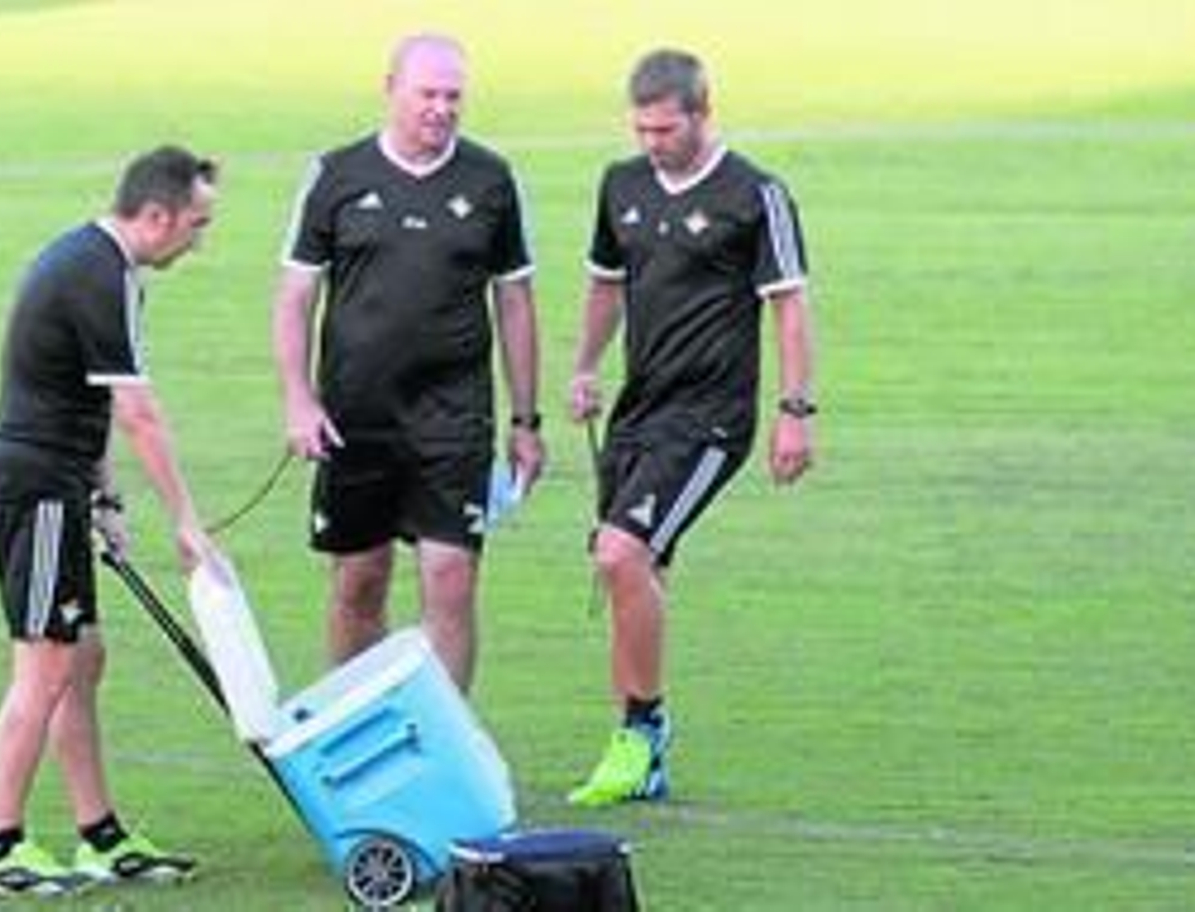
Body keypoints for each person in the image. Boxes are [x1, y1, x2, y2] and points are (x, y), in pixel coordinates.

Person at [565, 49, 819, 807]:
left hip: (710, 418)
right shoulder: (622, 186)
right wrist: (583, 366)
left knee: (619, 556)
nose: (652, 142)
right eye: (641, 129)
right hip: (639, 412)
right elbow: (606, 284)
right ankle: (643, 758)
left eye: (666, 129)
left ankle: (642, 730)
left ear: (703, 113)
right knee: (637, 576)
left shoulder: (755, 193)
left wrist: (794, 412)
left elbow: (790, 305)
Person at [0, 145, 220, 895]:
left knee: (83, 659)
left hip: (59, 484)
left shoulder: (101, 266)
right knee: (45, 668)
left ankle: (100, 836)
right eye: (196, 225)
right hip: (37, 488)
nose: (199, 242)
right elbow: (139, 413)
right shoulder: (99, 273)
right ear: (155, 216)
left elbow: (86, 398)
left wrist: (103, 498)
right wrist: (187, 523)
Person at [272, 33, 544, 694]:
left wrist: (526, 418)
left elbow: (515, 301)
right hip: (355, 414)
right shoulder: (335, 176)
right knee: (359, 580)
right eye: (428, 94)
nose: (442, 108)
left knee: (450, 577)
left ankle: (445, 747)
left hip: (453, 416)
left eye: (454, 96)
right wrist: (298, 399)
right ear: (390, 88)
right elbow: (295, 297)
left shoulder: (491, 180)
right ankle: (359, 724)